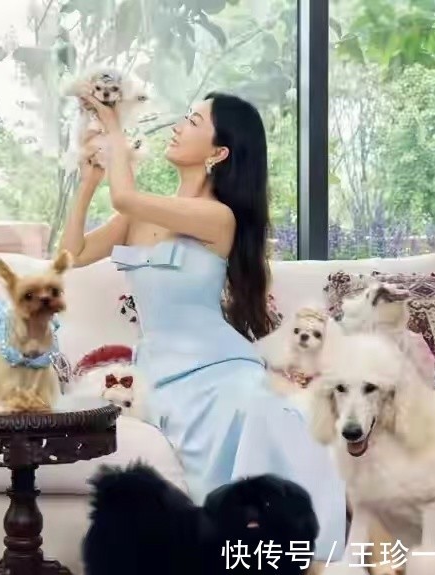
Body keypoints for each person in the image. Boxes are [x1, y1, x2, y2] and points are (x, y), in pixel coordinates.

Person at [60, 91, 347, 563]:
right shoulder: (138, 216)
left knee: (257, 411)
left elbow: (125, 194)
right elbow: (72, 255)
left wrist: (113, 128)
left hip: (219, 367)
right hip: (160, 374)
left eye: (193, 121)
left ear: (218, 152)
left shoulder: (218, 217)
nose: (179, 126)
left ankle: (293, 551)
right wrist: (89, 181)